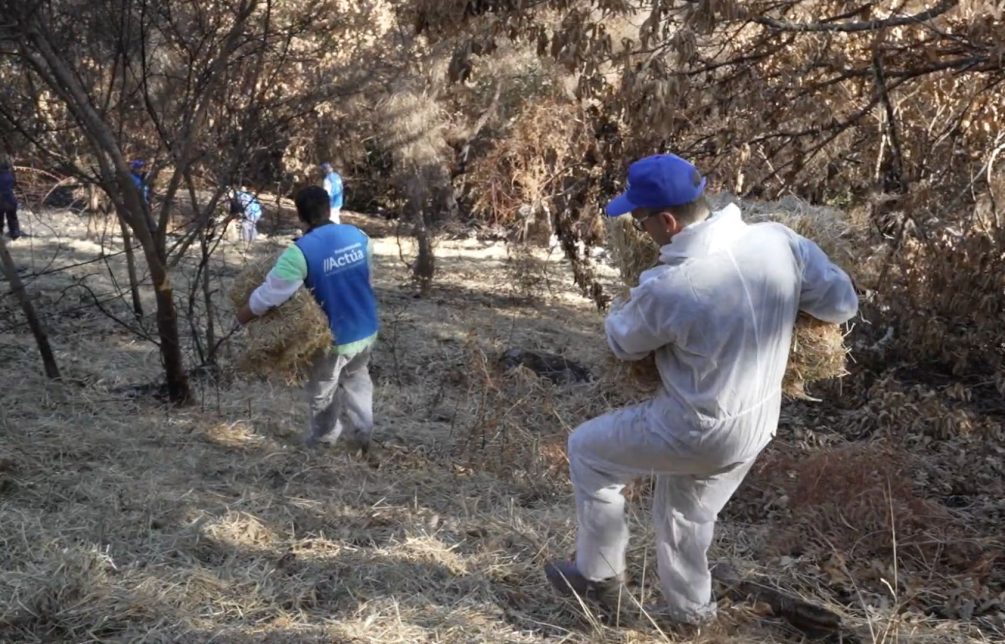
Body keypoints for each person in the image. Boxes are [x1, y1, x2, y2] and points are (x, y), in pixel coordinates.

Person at [544, 154, 858, 625]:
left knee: (587, 451)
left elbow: (622, 343)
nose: (639, 228)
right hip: (756, 423)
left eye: (640, 219)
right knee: (685, 519)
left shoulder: (672, 286)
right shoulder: (778, 241)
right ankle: (693, 618)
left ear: (667, 221)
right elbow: (841, 304)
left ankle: (597, 577)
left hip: (691, 427)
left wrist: (630, 298)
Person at [237, 186, 378, 452]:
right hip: (366, 327)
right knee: (357, 378)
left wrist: (241, 316)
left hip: (333, 337)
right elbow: (366, 279)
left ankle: (323, 440)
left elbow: (270, 295)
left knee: (322, 390)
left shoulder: (300, 252)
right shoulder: (359, 236)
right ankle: (363, 432)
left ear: (300, 217)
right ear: (328, 209)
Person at [0, 159, 20, 240]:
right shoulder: (11, 176)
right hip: (12, 201)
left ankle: (1, 236)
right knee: (13, 219)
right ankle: (15, 235)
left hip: (1, 201)